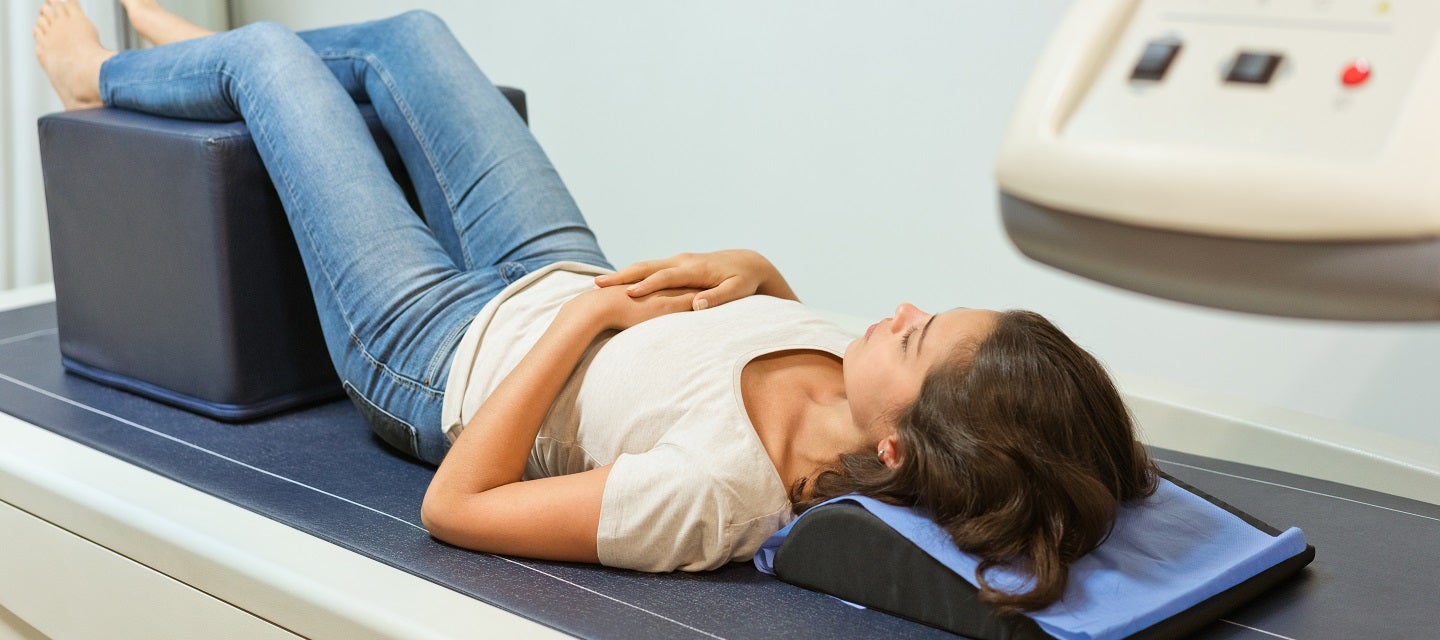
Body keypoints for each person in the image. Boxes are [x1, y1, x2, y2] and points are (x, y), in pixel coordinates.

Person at [34, 0, 1157, 613]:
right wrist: (757, 268)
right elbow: (758, 326)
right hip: (566, 267)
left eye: (916, 335)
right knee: (416, 31)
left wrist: (576, 327)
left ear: (899, 440)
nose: (900, 308)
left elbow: (459, 506)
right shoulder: (855, 380)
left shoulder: (717, 496)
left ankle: (120, 80)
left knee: (278, 54)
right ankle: (232, 68)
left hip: (438, 348)